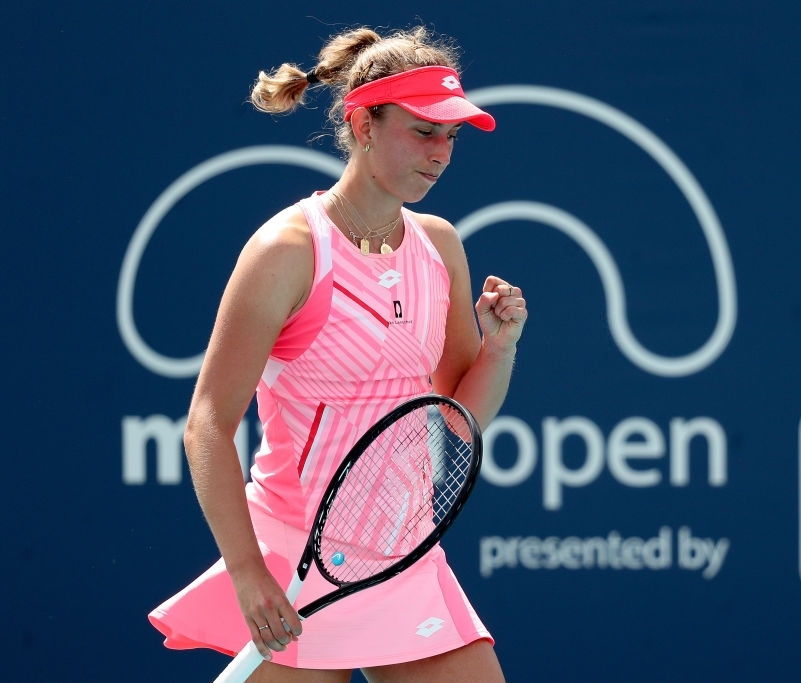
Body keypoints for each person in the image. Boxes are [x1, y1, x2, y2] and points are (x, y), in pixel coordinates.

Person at [149, 25, 525, 683]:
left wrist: (499, 349)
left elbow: (457, 418)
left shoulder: (440, 247)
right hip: (293, 562)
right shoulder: (286, 253)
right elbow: (206, 422)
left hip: (406, 558)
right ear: (364, 123)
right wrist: (247, 572)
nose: (441, 153)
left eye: (451, 136)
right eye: (422, 130)